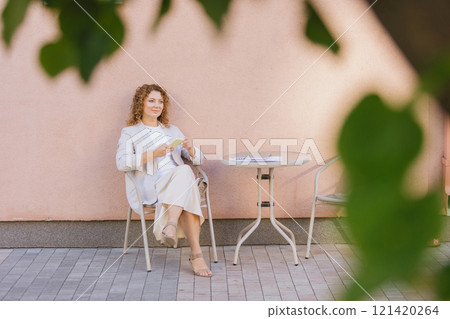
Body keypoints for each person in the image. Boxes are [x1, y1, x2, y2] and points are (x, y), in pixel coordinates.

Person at [116, 83, 212, 277]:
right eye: (151, 100)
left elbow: (199, 160)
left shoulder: (172, 130)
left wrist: (191, 149)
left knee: (184, 173)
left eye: (160, 101)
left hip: (177, 183)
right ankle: (196, 255)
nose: (156, 105)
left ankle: (172, 225)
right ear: (140, 104)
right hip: (152, 186)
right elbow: (122, 163)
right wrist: (152, 154)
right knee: (186, 181)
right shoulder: (130, 133)